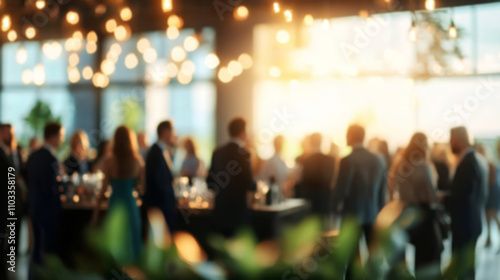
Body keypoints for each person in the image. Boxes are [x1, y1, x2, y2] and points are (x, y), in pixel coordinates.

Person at [333, 124, 386, 280]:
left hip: (351, 217)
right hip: (373, 214)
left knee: (351, 261)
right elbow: (382, 191)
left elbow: (340, 191)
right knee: (373, 259)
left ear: (349, 136)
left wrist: (335, 211)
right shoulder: (378, 160)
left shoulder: (346, 160)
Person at [389, 133, 443, 279]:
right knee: (427, 262)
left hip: (404, 215)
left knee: (401, 262)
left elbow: (393, 190)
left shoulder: (400, 165)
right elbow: (431, 196)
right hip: (423, 217)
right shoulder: (424, 167)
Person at [93, 126, 144, 261]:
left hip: (115, 203)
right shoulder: (138, 161)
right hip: (130, 204)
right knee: (132, 243)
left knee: (115, 243)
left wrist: (96, 213)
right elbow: (142, 188)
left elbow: (103, 190)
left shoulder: (109, 160)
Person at [445, 126, 488, 280]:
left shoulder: (468, 164)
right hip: (472, 224)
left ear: (459, 140)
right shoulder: (476, 159)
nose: (450, 144)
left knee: (464, 273)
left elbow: (461, 197)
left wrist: (442, 199)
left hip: (465, 227)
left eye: (451, 140)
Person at [206, 117, 256, 237]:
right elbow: (248, 182)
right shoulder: (244, 153)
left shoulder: (217, 152)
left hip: (220, 211)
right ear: (243, 131)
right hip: (237, 213)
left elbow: (209, 182)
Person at [27, 122, 65, 265]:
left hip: (34, 207)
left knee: (36, 249)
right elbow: (50, 187)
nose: (62, 139)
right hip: (48, 210)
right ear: (54, 137)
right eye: (61, 136)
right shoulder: (51, 159)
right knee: (47, 250)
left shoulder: (33, 156)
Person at [143, 121, 177, 234]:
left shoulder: (162, 151)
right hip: (159, 210)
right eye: (173, 131)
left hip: (163, 209)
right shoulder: (155, 153)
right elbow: (158, 183)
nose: (175, 135)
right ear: (166, 132)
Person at [295, 133, 335, 225]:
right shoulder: (331, 159)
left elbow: (297, 179)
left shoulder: (303, 160)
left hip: (308, 202)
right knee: (325, 231)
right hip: (325, 201)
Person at [475, 143, 500, 248]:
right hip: (487, 192)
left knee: (493, 215)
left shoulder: (490, 163)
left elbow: (492, 180)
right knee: (488, 216)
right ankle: (488, 238)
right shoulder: (481, 162)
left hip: (492, 192)